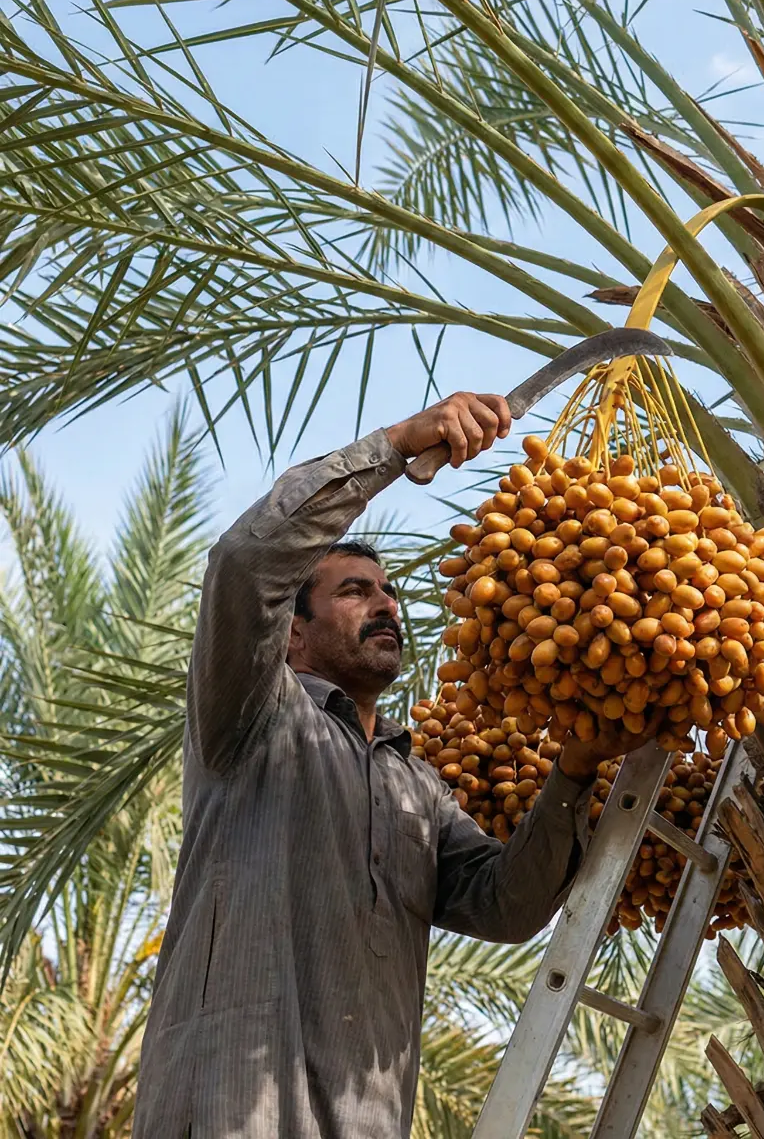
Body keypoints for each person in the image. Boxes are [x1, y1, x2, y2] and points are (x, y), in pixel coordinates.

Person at [132, 393, 650, 1139]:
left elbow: (505, 905)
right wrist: (398, 444)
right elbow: (246, 563)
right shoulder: (252, 716)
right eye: (354, 592)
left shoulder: (418, 788)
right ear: (290, 635)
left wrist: (575, 769)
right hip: (228, 1109)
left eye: (390, 593)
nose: (386, 606)